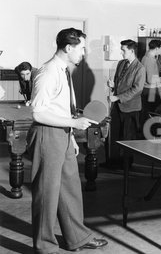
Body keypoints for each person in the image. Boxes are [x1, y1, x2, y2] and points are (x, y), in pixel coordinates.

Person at [26, 28, 108, 253]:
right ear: (68, 48)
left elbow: (62, 109)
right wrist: (74, 124)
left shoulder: (64, 71)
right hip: (47, 135)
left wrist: (70, 136)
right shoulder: (48, 72)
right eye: (81, 48)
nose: (83, 53)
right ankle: (45, 246)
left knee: (70, 188)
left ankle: (77, 238)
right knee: (47, 193)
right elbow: (38, 113)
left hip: (62, 134)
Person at [107, 39, 145, 168]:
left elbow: (137, 89)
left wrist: (118, 97)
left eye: (123, 50)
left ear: (132, 51)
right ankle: (113, 162)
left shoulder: (140, 68)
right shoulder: (121, 63)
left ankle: (126, 166)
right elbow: (119, 82)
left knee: (127, 137)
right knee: (114, 134)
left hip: (130, 107)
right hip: (117, 105)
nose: (121, 53)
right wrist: (113, 85)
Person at [141, 39, 161, 115]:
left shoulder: (146, 57)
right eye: (160, 49)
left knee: (148, 113)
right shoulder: (150, 60)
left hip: (148, 90)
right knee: (152, 114)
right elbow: (150, 80)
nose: (160, 52)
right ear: (156, 49)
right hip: (150, 91)